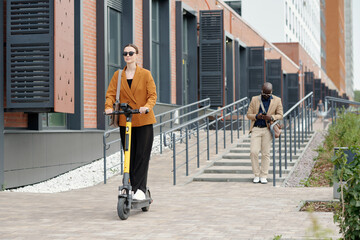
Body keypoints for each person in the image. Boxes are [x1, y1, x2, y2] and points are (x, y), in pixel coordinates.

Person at [105, 44, 157, 200]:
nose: (128, 55)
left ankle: (140, 188)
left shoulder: (145, 74)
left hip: (143, 120)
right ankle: (130, 186)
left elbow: (152, 95)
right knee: (129, 154)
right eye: (125, 53)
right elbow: (111, 94)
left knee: (142, 155)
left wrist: (146, 107)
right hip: (125, 120)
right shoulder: (118, 75)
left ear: (137, 55)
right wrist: (108, 107)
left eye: (131, 53)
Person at [246, 82, 283, 184]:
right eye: (264, 94)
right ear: (261, 91)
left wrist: (271, 117)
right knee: (253, 152)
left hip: (268, 129)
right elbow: (248, 115)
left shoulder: (277, 100)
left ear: (271, 92)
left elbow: (280, 115)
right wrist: (257, 116)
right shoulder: (254, 99)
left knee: (266, 153)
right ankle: (256, 174)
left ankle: (264, 175)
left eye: (268, 94)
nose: (266, 96)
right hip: (256, 128)